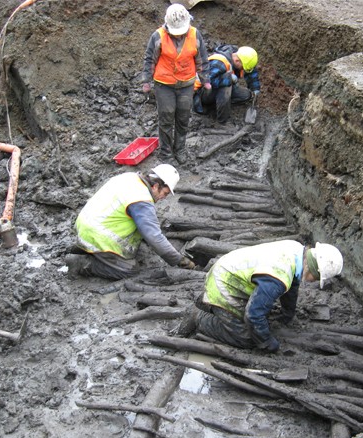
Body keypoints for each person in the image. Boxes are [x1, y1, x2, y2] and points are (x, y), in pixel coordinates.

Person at [179, 240, 343, 352]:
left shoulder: (297, 250)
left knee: (259, 314)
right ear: (314, 270)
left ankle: (213, 306)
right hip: (224, 283)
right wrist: (266, 342)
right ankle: (199, 318)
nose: (313, 282)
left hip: (232, 271)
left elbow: (292, 285)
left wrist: (287, 314)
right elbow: (253, 315)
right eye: (316, 279)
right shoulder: (279, 276)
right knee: (248, 338)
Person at [66, 164, 196, 280]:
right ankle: (81, 264)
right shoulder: (141, 200)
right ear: (156, 186)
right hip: (97, 235)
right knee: (129, 270)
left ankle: (83, 248)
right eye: (165, 193)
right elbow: (154, 237)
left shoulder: (130, 177)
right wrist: (180, 260)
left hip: (85, 223)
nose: (163, 198)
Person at [141, 4, 211, 164]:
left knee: (183, 117)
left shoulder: (195, 34)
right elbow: (150, 59)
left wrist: (205, 79)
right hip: (164, 84)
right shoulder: (158, 36)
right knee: (166, 117)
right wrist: (146, 80)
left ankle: (179, 149)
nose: (179, 36)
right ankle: (166, 153)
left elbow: (202, 59)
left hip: (186, 84)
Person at [192, 44, 260, 123]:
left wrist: (255, 88)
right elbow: (206, 81)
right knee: (226, 86)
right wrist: (228, 79)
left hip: (220, 84)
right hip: (202, 92)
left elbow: (250, 70)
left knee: (246, 95)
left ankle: (217, 103)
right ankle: (222, 120)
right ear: (237, 61)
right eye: (242, 67)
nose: (242, 70)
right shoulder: (219, 64)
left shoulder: (238, 54)